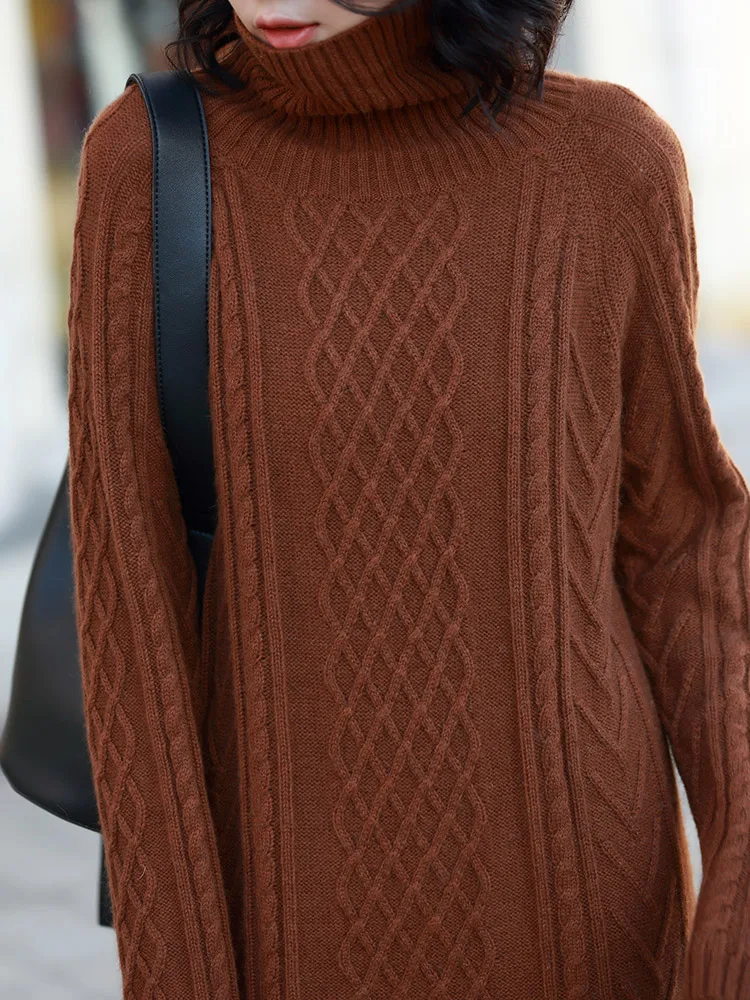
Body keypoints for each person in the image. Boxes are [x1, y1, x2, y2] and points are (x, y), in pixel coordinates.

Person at [66, 0, 750, 996]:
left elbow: (688, 553)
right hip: (290, 938)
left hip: (591, 925)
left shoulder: (608, 162)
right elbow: (128, 620)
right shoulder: (149, 163)